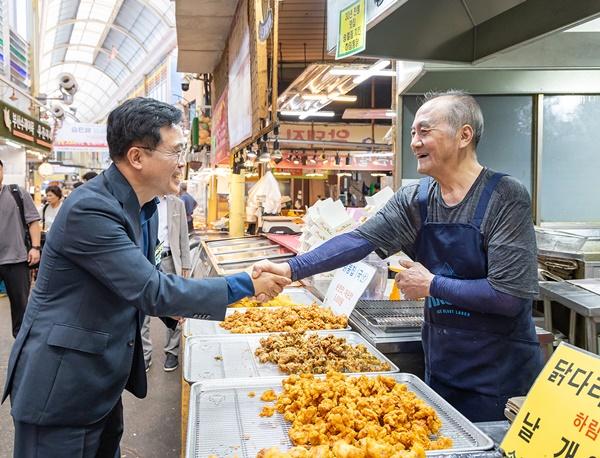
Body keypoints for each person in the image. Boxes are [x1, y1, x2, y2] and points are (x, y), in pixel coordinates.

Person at [2, 97, 290, 457]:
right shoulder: (89, 210)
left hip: (101, 383)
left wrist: (174, 310)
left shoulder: (147, 206)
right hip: (60, 386)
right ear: (137, 157)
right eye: (176, 150)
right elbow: (152, 288)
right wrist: (245, 283)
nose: (183, 161)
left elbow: (139, 279)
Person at [253, 90, 542, 422]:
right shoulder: (416, 200)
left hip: (500, 381)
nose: (414, 142)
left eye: (424, 131)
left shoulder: (504, 196)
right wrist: (289, 268)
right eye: (412, 133)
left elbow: (509, 298)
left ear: (464, 135)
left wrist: (433, 285)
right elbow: (357, 241)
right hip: (442, 370)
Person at [141, 194, 190, 372]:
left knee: (175, 305)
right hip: (145, 259)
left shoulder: (177, 203)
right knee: (142, 308)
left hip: (169, 260)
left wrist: (186, 263)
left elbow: (184, 235)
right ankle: (144, 354)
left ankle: (172, 351)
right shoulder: (142, 199)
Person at [0, 159, 41, 338]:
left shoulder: (16, 193)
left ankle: (22, 349)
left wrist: (35, 247)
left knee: (21, 309)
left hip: (16, 260)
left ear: (2, 171)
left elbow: (33, 222)